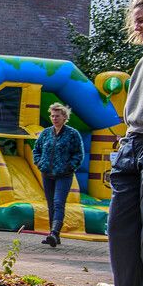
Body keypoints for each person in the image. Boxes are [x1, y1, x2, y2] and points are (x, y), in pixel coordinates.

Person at [95, 0, 143, 286]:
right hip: (133, 143)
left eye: (142, 19)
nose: (137, 27)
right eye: (135, 20)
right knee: (120, 226)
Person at [32, 102, 84, 248]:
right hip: (47, 173)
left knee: (58, 202)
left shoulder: (72, 134)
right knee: (50, 204)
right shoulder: (45, 133)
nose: (54, 118)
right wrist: (39, 163)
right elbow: (36, 150)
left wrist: (69, 167)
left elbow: (78, 154)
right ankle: (53, 235)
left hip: (64, 175)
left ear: (64, 117)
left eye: (57, 116)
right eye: (52, 116)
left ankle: (54, 232)